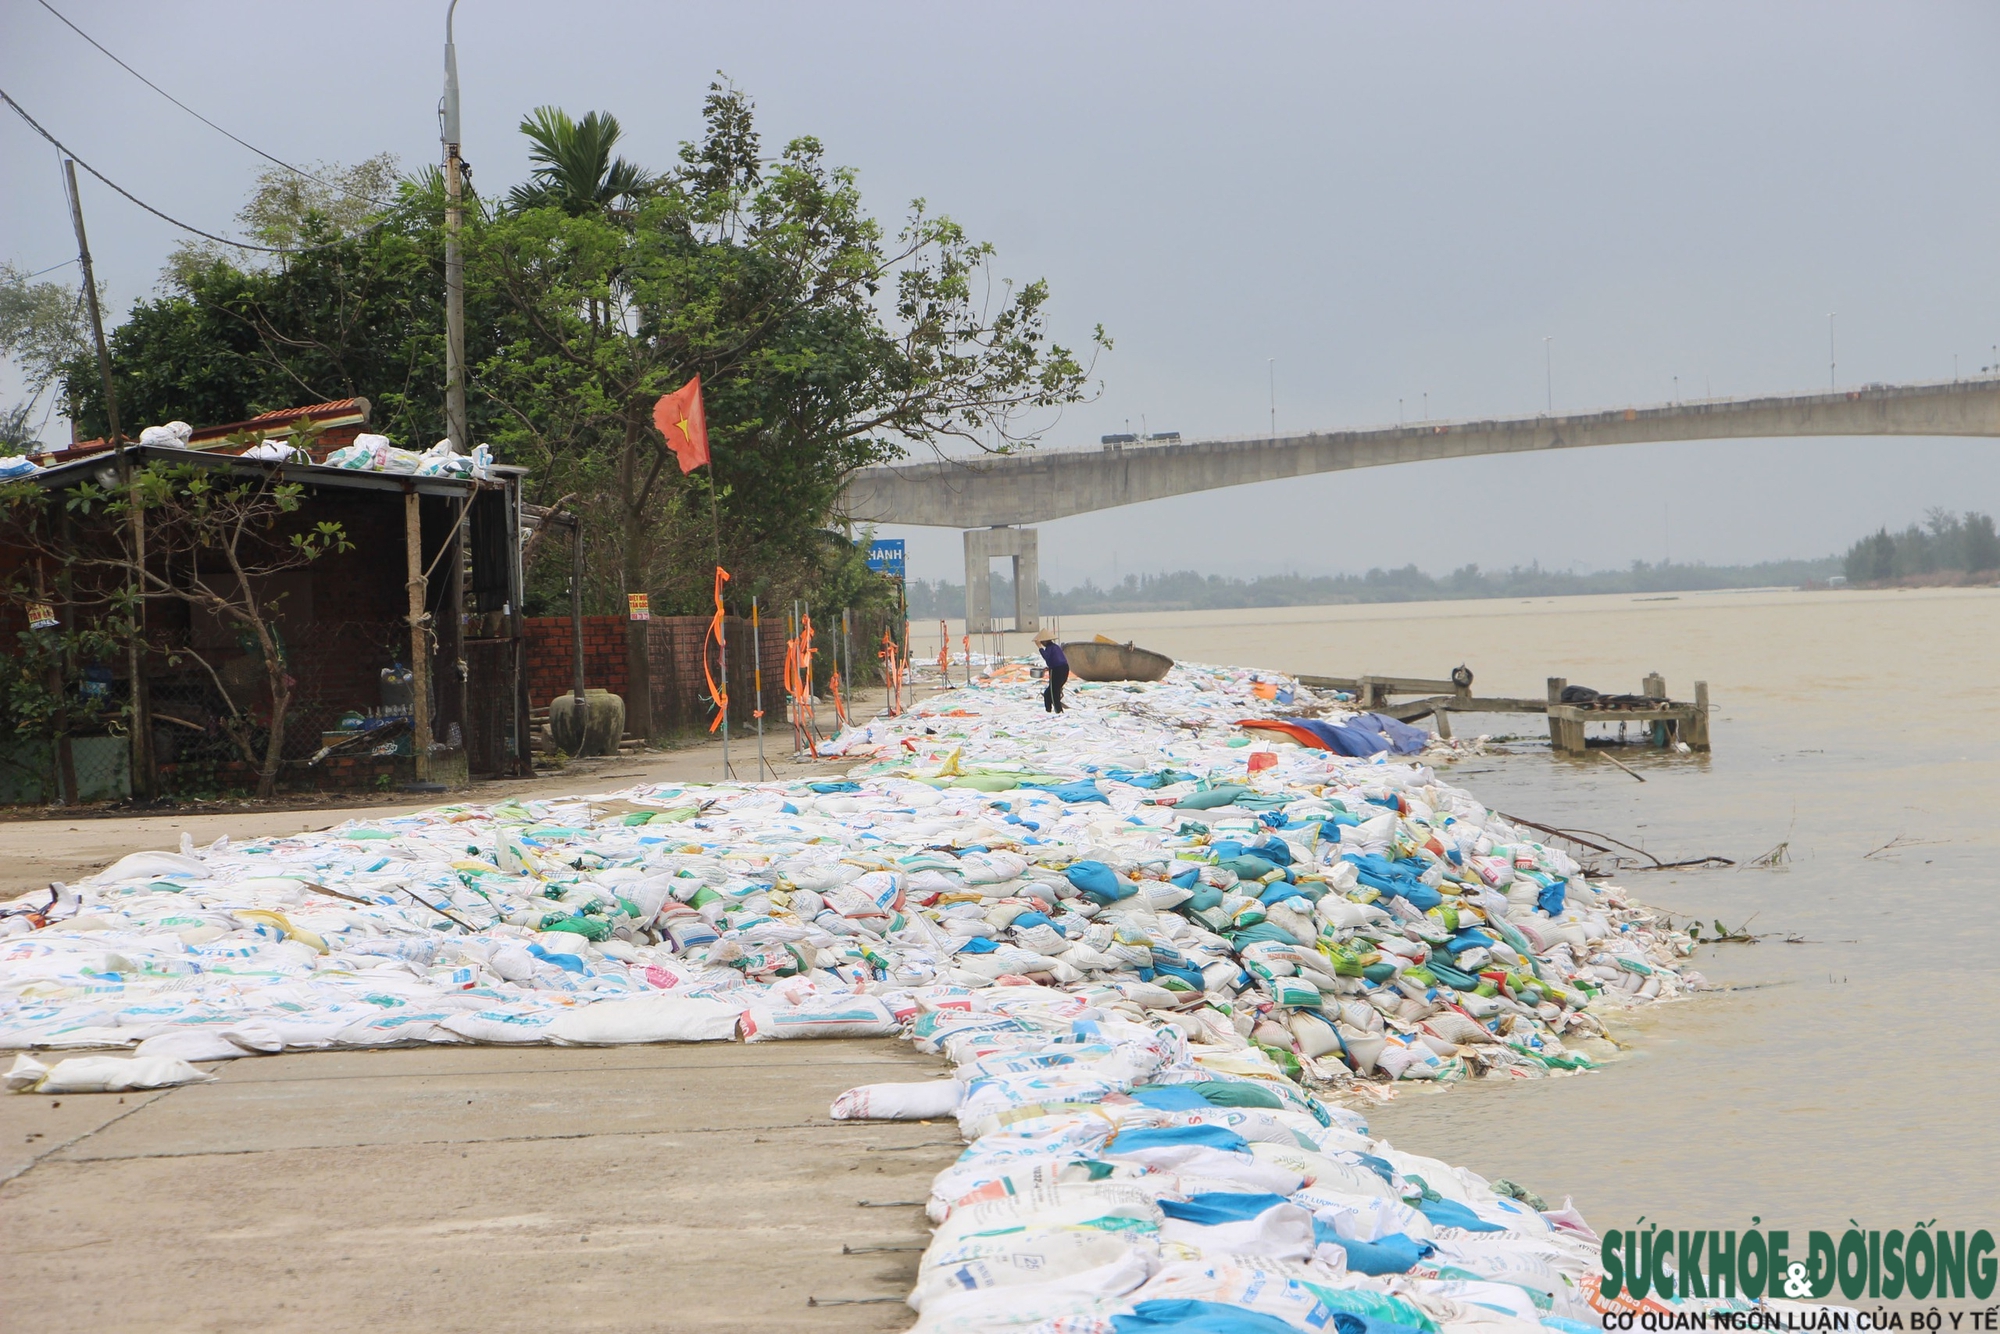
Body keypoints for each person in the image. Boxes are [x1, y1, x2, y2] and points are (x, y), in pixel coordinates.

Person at [1034, 629, 1068, 713]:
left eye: (1042, 642)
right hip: (1064, 669)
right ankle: (1048, 710)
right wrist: (1049, 667)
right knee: (1048, 693)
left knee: (1054, 692)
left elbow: (1047, 657)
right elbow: (1056, 660)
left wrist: (1039, 648)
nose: (1041, 643)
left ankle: (1058, 710)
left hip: (1057, 670)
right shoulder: (1056, 647)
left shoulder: (1050, 648)